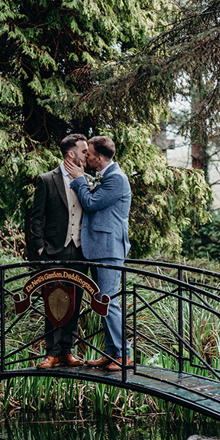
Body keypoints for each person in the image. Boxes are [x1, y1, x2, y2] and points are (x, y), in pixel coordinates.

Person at [64, 136, 132, 371]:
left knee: (108, 301)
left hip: (109, 249)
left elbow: (91, 203)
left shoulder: (117, 180)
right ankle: (112, 353)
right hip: (100, 249)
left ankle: (123, 355)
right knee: (102, 302)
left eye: (89, 154)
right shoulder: (107, 176)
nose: (86, 157)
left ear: (99, 158)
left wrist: (79, 180)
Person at [29, 134, 89, 368]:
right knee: (52, 299)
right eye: (83, 150)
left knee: (75, 300)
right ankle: (51, 352)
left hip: (80, 251)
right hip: (54, 250)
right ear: (70, 153)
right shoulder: (46, 179)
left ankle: (67, 352)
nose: (87, 154)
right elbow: (36, 218)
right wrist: (41, 246)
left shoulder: (88, 179)